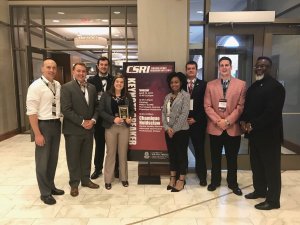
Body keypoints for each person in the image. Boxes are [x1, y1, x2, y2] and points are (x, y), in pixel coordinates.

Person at [240, 56, 285, 210]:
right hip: (254, 135)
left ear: (270, 68)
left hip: (269, 136)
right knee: (257, 165)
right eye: (258, 65)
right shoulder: (254, 87)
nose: (260, 68)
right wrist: (244, 121)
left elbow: (272, 112)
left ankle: (273, 201)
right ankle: (259, 190)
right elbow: (248, 108)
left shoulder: (276, 87)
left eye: (263, 66)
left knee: (271, 169)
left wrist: (253, 124)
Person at [204, 56, 246, 196]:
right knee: (215, 157)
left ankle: (233, 183)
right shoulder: (210, 85)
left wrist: (227, 121)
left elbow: (240, 107)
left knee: (232, 158)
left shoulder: (241, 84)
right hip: (215, 128)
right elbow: (207, 106)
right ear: (218, 67)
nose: (224, 67)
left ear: (231, 67)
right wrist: (218, 121)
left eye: (226, 65)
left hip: (232, 128)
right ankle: (215, 181)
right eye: (221, 65)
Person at [26, 59, 64, 205]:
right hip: (43, 125)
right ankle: (44, 192)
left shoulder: (57, 85)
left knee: (53, 159)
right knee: (42, 160)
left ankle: (51, 185)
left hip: (55, 124)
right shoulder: (35, 86)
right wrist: (37, 134)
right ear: (42, 69)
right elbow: (31, 112)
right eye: (48, 67)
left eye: (54, 67)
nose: (52, 70)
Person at [61, 62, 99, 197]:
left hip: (89, 129)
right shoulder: (66, 88)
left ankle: (86, 180)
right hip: (73, 130)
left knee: (86, 156)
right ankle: (74, 183)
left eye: (83, 71)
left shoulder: (92, 88)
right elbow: (65, 109)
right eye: (78, 71)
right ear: (73, 72)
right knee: (73, 158)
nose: (81, 73)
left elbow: (96, 107)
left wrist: (93, 120)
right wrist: (82, 122)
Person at [99, 74, 134, 190]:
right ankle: (108, 179)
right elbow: (101, 111)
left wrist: (130, 117)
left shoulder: (127, 96)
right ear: (113, 83)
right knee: (110, 153)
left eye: (121, 82)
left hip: (124, 127)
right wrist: (113, 119)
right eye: (117, 81)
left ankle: (124, 178)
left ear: (124, 84)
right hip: (111, 127)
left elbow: (132, 110)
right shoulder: (106, 95)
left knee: (123, 153)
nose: (119, 84)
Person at [87, 57, 117, 180]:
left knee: (113, 146)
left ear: (108, 66)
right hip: (98, 118)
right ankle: (98, 169)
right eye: (101, 64)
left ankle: (115, 169)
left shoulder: (114, 79)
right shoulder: (91, 80)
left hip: (111, 117)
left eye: (106, 65)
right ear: (97, 66)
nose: (104, 66)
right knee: (99, 145)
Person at [162, 72, 190, 192]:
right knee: (172, 155)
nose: (174, 84)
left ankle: (181, 180)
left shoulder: (186, 96)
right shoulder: (167, 96)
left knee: (181, 156)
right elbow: (163, 113)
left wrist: (174, 129)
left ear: (181, 83)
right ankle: (173, 178)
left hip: (181, 131)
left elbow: (184, 114)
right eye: (172, 82)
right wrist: (167, 128)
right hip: (168, 131)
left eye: (176, 82)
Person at [183, 61, 208, 186]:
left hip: (198, 123)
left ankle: (202, 175)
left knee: (199, 150)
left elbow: (207, 105)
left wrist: (196, 119)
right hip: (183, 123)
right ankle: (183, 174)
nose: (191, 70)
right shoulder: (181, 84)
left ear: (196, 70)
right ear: (186, 70)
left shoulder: (204, 85)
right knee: (182, 150)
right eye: (188, 68)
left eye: (193, 68)